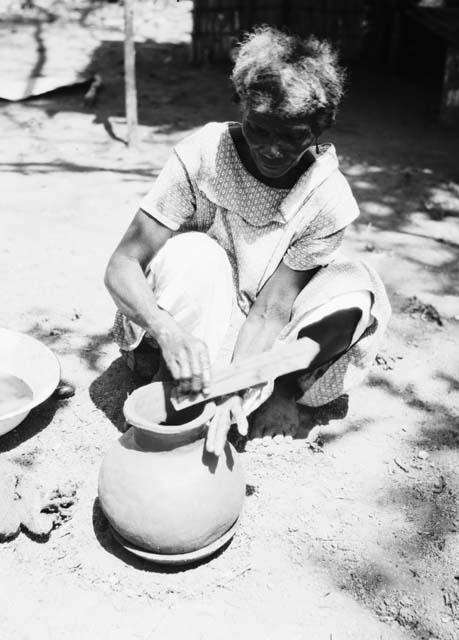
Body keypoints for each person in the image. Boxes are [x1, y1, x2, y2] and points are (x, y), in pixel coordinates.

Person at [105, 26, 390, 457]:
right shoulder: (204, 152)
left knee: (355, 292)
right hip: (187, 312)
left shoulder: (328, 198)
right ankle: (170, 379)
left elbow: (271, 310)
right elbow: (122, 265)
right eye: (260, 130)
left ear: (321, 126)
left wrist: (238, 385)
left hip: (260, 331)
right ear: (241, 106)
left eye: (293, 135)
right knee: (197, 253)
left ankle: (280, 391)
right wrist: (167, 331)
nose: (273, 150)